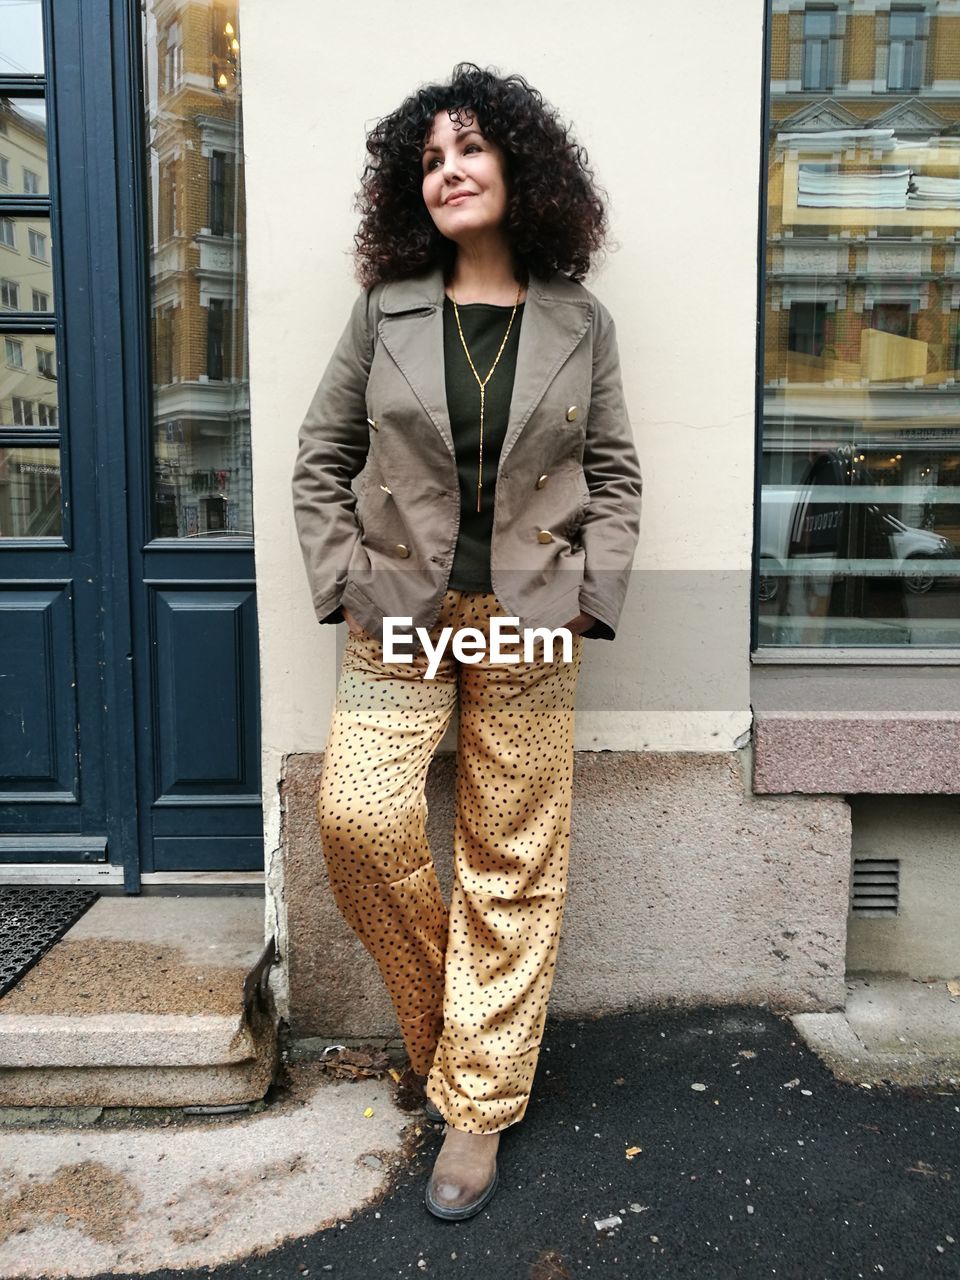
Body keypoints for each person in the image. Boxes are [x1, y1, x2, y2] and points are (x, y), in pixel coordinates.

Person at [292, 62, 642, 1220]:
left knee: (512, 855)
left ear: (521, 169)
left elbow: (617, 474)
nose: (449, 170)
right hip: (396, 613)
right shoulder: (385, 312)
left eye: (470, 150)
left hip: (536, 621)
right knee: (360, 814)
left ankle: (477, 1105)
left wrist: (593, 596)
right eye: (431, 158)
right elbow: (320, 459)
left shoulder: (578, 322)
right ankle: (454, 1032)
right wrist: (348, 584)